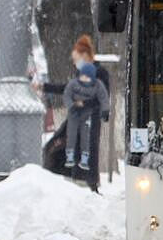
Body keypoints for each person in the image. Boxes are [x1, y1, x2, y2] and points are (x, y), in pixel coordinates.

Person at [39, 34, 113, 187]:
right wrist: (46, 87)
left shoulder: (99, 73)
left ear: (85, 56)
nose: (75, 63)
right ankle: (74, 180)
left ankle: (88, 183)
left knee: (86, 150)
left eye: (76, 59)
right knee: (62, 147)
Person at [62, 61, 111, 174]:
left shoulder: (97, 85)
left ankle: (85, 159)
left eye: (88, 77)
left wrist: (105, 111)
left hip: (87, 113)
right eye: (83, 77)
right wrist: (72, 105)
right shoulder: (74, 84)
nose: (85, 79)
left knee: (85, 135)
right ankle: (70, 156)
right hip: (74, 112)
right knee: (72, 133)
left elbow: (103, 98)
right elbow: (67, 95)